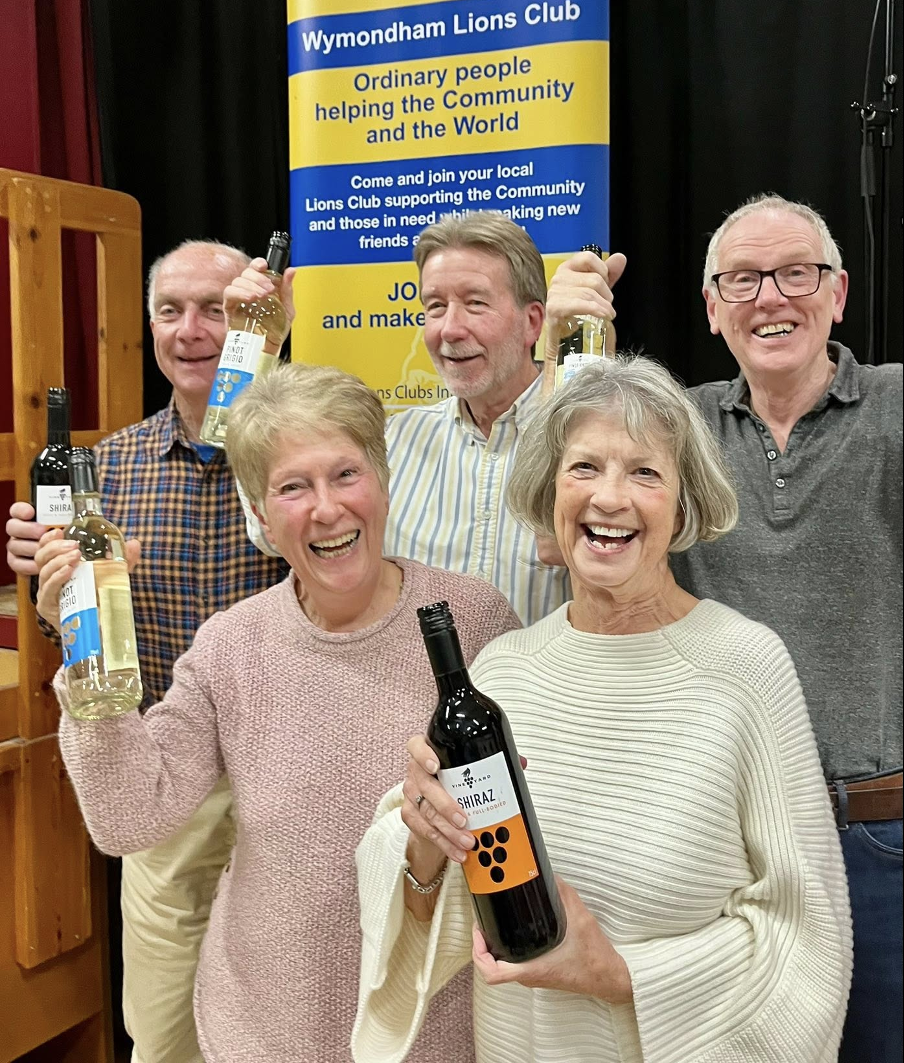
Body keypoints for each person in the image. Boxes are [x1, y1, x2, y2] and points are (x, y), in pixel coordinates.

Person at [352, 357, 852, 1063]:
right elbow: (424, 899)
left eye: (644, 473)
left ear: (684, 506)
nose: (608, 498)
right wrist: (427, 839)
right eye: (584, 467)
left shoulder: (745, 667)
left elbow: (807, 936)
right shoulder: (506, 670)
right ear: (550, 492)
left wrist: (623, 977)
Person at [35, 363, 518, 1063]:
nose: (326, 509)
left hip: (435, 1029)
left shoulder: (472, 619)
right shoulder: (230, 646)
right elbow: (129, 818)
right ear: (260, 514)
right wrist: (82, 648)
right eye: (293, 487)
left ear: (383, 483)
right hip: (266, 1029)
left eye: (346, 474)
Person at [545, 194, 902, 1062]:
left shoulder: (897, 406)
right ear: (711, 308)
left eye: (796, 274)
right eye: (741, 279)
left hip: (878, 839)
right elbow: (563, 500)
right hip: (721, 840)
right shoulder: (673, 425)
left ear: (840, 292)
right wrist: (567, 346)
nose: (770, 298)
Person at [5, 240, 287, 1063]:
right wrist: (53, 594)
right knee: (163, 1030)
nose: (193, 330)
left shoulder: (300, 459)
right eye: (172, 311)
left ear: (254, 324)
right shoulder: (107, 467)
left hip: (290, 769)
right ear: (150, 325)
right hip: (168, 778)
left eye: (218, 309)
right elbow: (72, 629)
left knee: (296, 1019)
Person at [234, 210, 626, 625]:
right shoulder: (390, 442)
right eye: (435, 306)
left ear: (533, 323)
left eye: (475, 303)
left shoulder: (592, 440)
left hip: (547, 689)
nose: (450, 329)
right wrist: (253, 340)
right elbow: (273, 533)